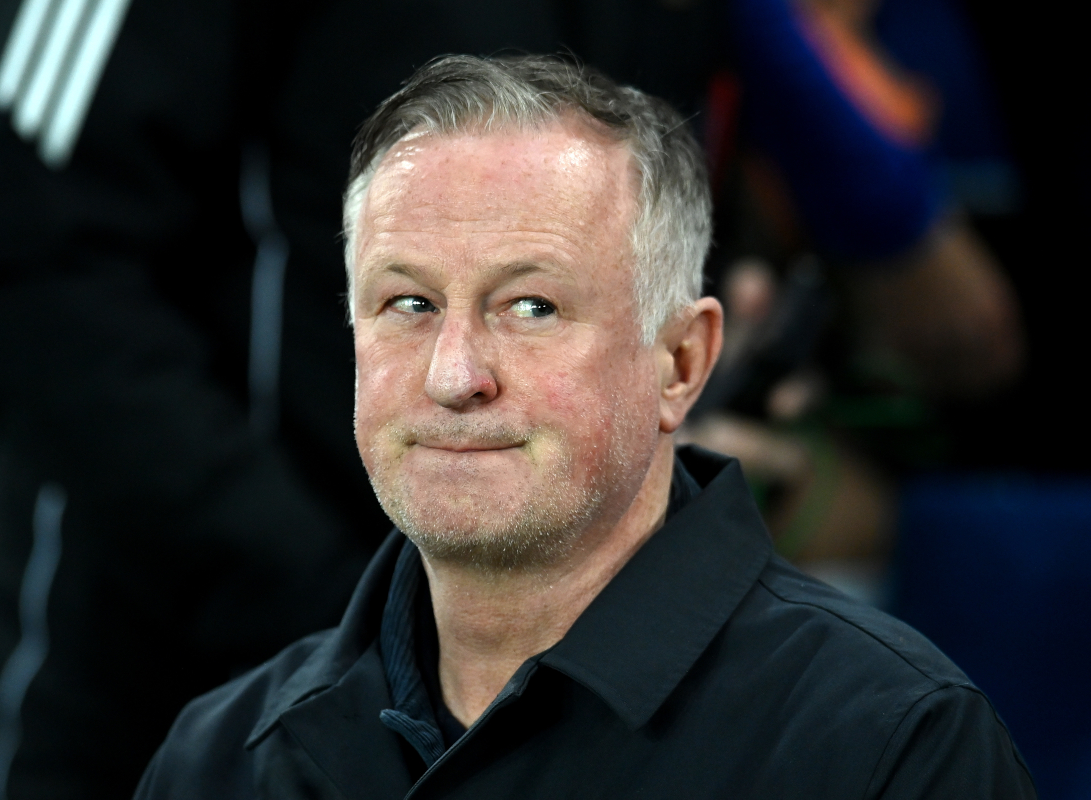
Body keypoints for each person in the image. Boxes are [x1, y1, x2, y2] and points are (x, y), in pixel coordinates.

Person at [134, 55, 1034, 799]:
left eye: (530, 306)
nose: (454, 376)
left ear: (680, 362)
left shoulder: (890, 750)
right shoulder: (219, 760)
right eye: (408, 302)